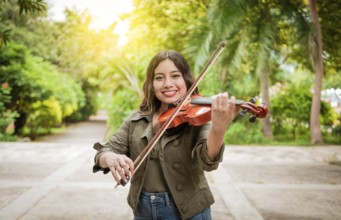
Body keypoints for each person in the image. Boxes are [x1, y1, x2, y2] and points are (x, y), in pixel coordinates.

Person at [92, 50, 239, 220]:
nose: (167, 83)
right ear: (151, 84)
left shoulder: (196, 118)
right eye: (159, 78)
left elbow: (208, 161)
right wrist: (110, 158)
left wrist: (219, 128)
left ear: (186, 80)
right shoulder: (136, 120)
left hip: (189, 211)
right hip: (143, 212)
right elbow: (104, 151)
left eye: (175, 76)